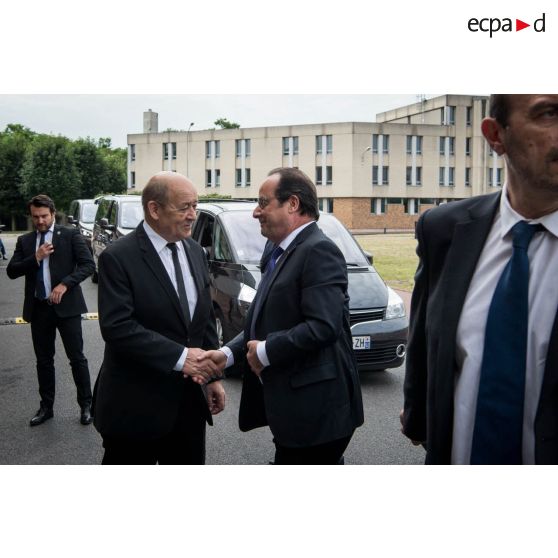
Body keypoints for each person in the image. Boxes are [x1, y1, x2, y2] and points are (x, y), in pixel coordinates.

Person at [401, 94, 558, 464]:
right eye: (548, 113)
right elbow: (424, 336)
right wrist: (418, 417)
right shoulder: (444, 231)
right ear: (495, 135)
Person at [202, 167, 364, 464]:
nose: (255, 212)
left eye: (263, 203)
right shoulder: (276, 249)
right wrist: (227, 354)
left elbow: (323, 327)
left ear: (292, 204)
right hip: (294, 409)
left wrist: (265, 350)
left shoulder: (319, 251)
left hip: (320, 415)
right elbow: (264, 316)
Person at [92, 171, 225, 465]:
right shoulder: (119, 257)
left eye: (196, 205)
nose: (193, 215)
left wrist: (212, 376)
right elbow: (118, 328)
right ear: (154, 209)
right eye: (184, 207)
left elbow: (202, 319)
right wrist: (181, 357)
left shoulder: (194, 251)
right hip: (135, 409)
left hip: (188, 407)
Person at [7, 194, 95, 426]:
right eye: (36, 217)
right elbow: (12, 271)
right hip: (39, 309)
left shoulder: (70, 235)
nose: (40, 221)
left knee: (77, 358)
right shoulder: (25, 241)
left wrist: (65, 283)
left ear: (53, 214)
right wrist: (35, 258)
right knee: (43, 361)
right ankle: (46, 408)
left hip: (67, 308)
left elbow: (88, 265)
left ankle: (86, 405)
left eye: (44, 216)